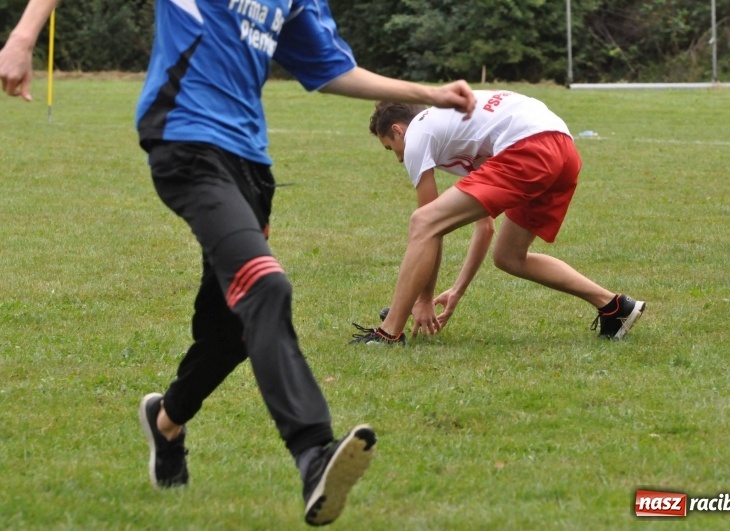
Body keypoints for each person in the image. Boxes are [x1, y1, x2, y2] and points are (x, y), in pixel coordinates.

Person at [0, 0, 476, 526]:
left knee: (232, 330)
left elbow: (331, 70)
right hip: (184, 139)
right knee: (266, 288)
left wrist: (427, 95)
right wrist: (23, 37)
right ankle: (313, 451)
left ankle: (167, 421)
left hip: (250, 165)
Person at [349, 91, 645, 345]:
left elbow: (429, 227)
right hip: (562, 150)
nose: (399, 158)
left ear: (399, 130)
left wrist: (424, 299)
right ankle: (614, 306)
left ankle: (388, 333)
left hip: (530, 148)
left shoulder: (418, 133)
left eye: (391, 148)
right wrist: (457, 290)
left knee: (423, 221)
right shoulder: (456, 126)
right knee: (510, 256)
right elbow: (485, 225)